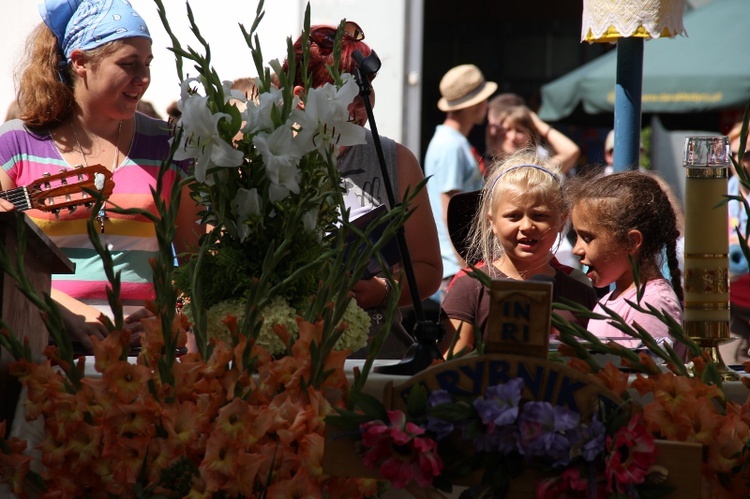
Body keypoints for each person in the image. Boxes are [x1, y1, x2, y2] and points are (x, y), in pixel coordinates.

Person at [0, 0, 203, 352]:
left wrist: (174, 318)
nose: (143, 78)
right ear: (80, 62)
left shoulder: (170, 146)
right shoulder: (15, 143)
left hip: (145, 352)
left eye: (148, 64)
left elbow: (195, 262)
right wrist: (65, 311)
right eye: (128, 64)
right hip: (42, 344)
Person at [283, 21, 442, 358]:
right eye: (347, 98)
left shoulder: (395, 160)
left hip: (375, 357)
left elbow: (427, 270)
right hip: (285, 359)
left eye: (365, 93)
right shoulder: (267, 157)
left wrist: (384, 291)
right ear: (300, 97)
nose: (360, 109)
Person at [440, 151, 598, 355]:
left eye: (539, 215)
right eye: (513, 216)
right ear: (492, 222)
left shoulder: (580, 292)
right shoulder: (469, 288)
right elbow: (450, 367)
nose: (526, 226)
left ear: (561, 220)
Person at [566, 171, 685, 356]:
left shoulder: (651, 304)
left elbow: (647, 377)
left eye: (587, 238)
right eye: (576, 237)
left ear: (631, 242)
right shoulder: (610, 299)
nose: (576, 249)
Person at [424, 64, 497, 305]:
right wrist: (466, 267)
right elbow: (450, 210)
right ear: (475, 104)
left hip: (455, 265)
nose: (487, 105)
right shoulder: (450, 145)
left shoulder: (452, 142)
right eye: (484, 99)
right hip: (454, 267)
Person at [489, 105, 580, 175]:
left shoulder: (537, 169)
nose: (512, 137)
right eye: (508, 129)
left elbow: (571, 151)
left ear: (531, 135)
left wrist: (538, 123)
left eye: (519, 131)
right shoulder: (487, 162)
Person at [727, 120, 750, 361]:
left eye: (748, 154)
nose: (739, 162)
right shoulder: (718, 197)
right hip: (731, 305)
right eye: (734, 154)